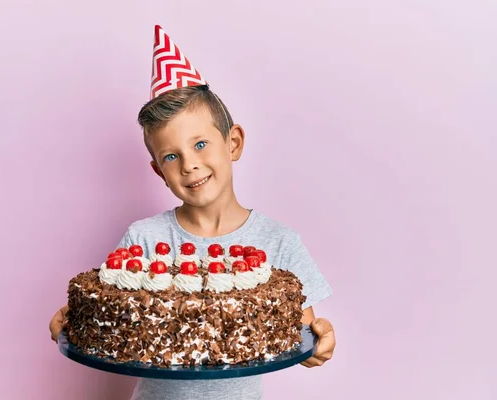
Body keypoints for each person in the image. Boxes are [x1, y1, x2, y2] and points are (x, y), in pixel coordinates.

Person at [49, 25, 336, 400]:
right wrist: (72, 324)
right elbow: (110, 314)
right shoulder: (144, 239)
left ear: (233, 143)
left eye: (201, 144)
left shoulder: (278, 241)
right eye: (171, 156)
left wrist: (321, 343)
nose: (190, 165)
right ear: (159, 172)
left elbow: (299, 331)